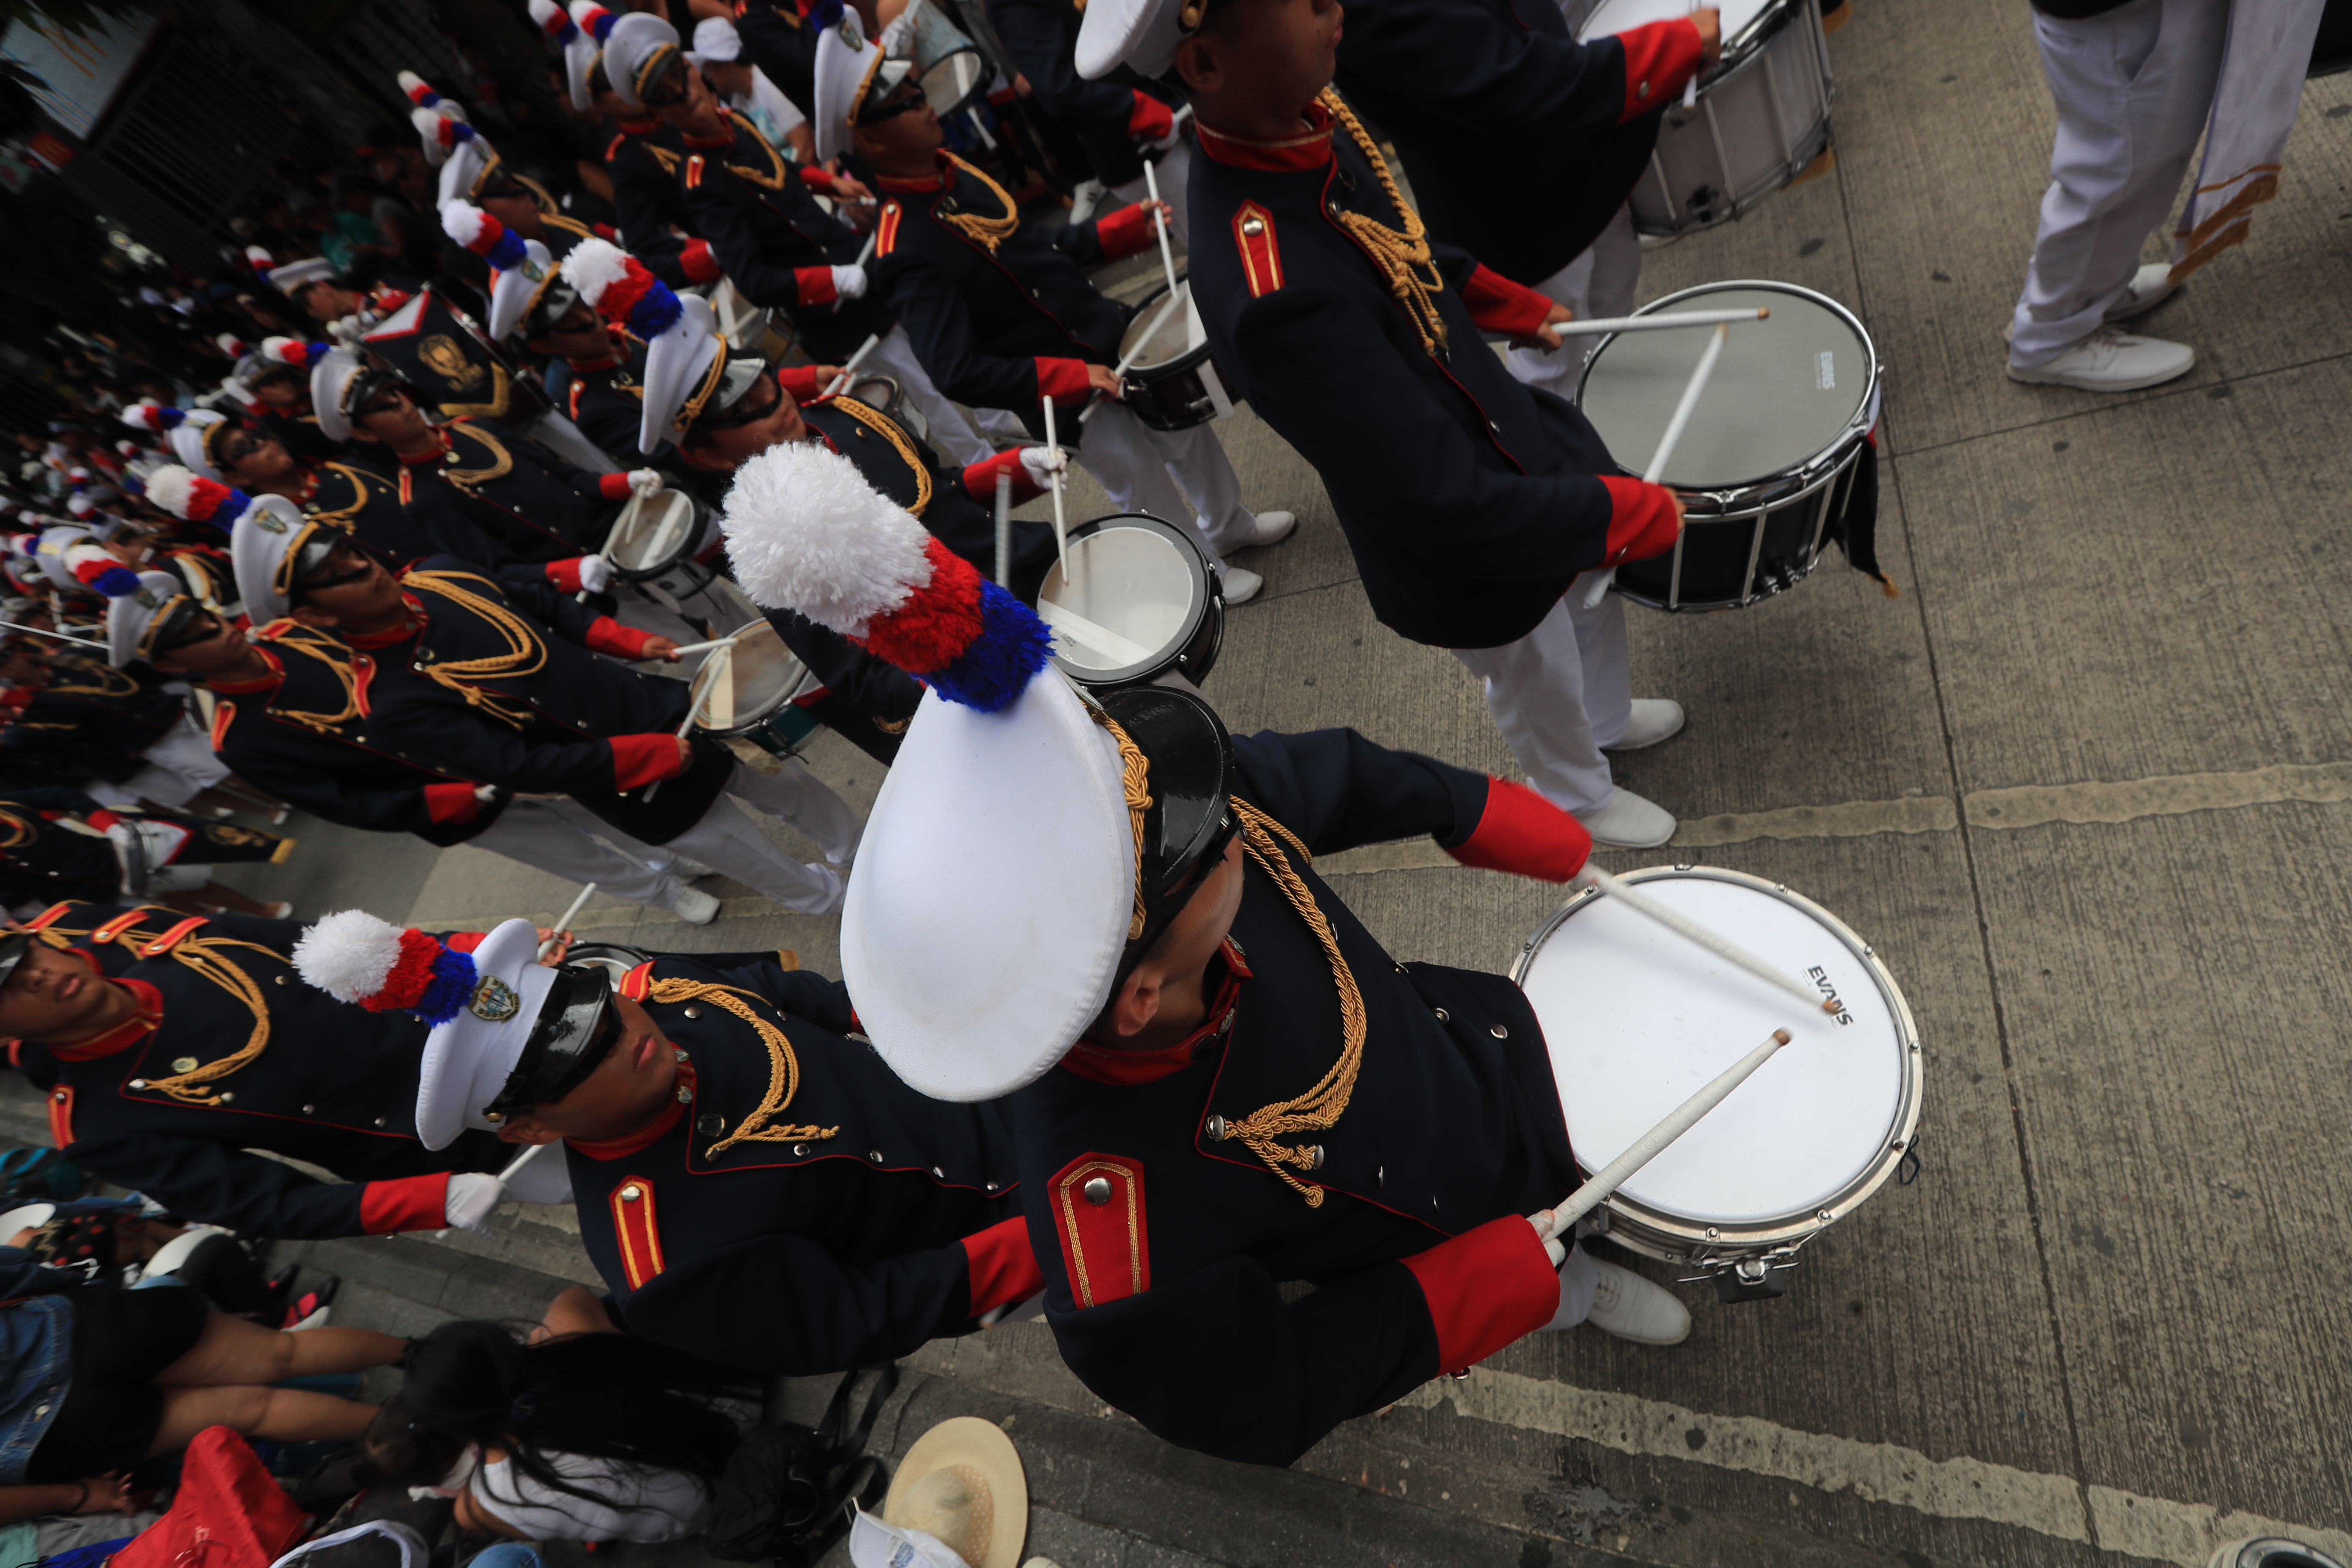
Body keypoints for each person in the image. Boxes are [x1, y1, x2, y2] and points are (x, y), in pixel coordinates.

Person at [721, 440, 1694, 1469]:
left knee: (1567, 1134)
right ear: (1136, 996)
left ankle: (1580, 1233)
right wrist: (1458, 1299)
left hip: (1456, 1053)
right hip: (1422, 1221)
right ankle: (1572, 1287)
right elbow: (1254, 1395)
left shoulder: (1165, 856)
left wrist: (1465, 805)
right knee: (1547, 1255)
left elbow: (1314, 773)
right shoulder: (1115, 1242)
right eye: (1210, 838)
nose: (1227, 818)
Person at [1074, 0, 1692, 847]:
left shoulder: (1299, 120)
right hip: (1454, 520)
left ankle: (1607, 716)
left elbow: (1388, 241)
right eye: (1298, 4)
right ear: (1207, 67)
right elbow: (1436, 498)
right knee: (1528, 651)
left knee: (1584, 593)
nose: (1332, 6)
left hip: (1491, 424)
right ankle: (1575, 790)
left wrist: (1483, 292)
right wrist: (1618, 513)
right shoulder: (1271, 287)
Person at [293, 910, 1045, 1375]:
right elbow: (863, 1315)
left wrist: (957, 1015)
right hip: (1021, 1227)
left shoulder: (652, 993)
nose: (622, 1038)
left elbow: (783, 991)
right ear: (529, 1128)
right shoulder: (664, 1262)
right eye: (577, 1061)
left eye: (598, 1011)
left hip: (1004, 1081)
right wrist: (1056, 1231)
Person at [821, 20, 1295, 603]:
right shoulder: (905, 246)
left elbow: (1034, 251)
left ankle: (1229, 525)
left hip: (1103, 331)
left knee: (1186, 432)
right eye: (906, 104)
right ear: (870, 141)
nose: (924, 105)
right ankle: (1200, 576)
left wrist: (1118, 234)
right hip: (1060, 384)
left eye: (916, 93)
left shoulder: (951, 173)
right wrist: (1068, 379)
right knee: (1139, 480)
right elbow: (955, 369)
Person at [115, 497, 722, 923]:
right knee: (571, 853)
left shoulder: (294, 637)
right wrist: (441, 801)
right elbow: (339, 802)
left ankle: (663, 857)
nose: (211, 632)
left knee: (599, 797)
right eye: (188, 640)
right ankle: (660, 895)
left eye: (201, 618)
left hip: (491, 727)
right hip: (452, 794)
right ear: (173, 666)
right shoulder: (236, 738)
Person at [281, 533, 859, 915]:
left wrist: (633, 642)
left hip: (650, 703)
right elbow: (519, 769)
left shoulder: (439, 575)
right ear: (316, 614)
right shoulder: (391, 703)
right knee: (747, 853)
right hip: (627, 780)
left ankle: (860, 850)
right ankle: (842, 904)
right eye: (339, 575)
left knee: (782, 782)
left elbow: (546, 607)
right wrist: (649, 758)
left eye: (352, 553)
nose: (362, 566)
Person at [646, 271, 1061, 760]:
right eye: (745, 412)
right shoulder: (775, 548)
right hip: (981, 665)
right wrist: (972, 669)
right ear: (709, 456)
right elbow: (865, 679)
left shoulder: (845, 415)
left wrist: (1015, 471)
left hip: (1038, 582)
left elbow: (939, 488)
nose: (778, 407)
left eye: (765, 386)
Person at [609, 18, 1015, 472]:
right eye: (665, 96)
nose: (684, 96)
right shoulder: (701, 184)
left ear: (692, 69)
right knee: (925, 386)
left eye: (678, 78)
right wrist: (834, 281)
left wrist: (829, 184)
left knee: (947, 337)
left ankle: (1002, 422)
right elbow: (756, 280)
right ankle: (984, 462)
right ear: (659, 112)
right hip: (832, 303)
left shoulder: (734, 122)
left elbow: (780, 173)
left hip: (855, 258)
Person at [0, 908, 514, 1240]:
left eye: (26, 954)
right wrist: (433, 1198)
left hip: (477, 1028)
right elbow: (265, 1204)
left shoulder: (169, 940)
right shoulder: (98, 1125)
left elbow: (342, 948)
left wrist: (473, 945)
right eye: (8, 989)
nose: (37, 975)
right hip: (450, 1140)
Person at [1314, 0, 1715, 395]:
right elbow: (1507, 80)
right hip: (1516, 205)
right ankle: (1577, 452)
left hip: (1576, 137)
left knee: (1612, 305)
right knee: (1559, 365)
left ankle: (1617, 420)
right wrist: (1670, 49)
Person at [2004, 0, 2327, 391]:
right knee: (2116, 173)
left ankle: (2082, 295)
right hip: (2116, 16)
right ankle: (2051, 336)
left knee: (2143, 162)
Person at [0, 1246, 400, 1505]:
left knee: (257, 1411)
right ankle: (429, 1356)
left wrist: (78, 1494)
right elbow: (17, 1269)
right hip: (67, 1331)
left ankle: (411, 1428)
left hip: (51, 1434)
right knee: (283, 1353)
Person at [361, 1314, 750, 1544]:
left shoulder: (485, 1504)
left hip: (714, 1513)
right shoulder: (568, 1337)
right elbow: (576, 1300)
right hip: (746, 1407)